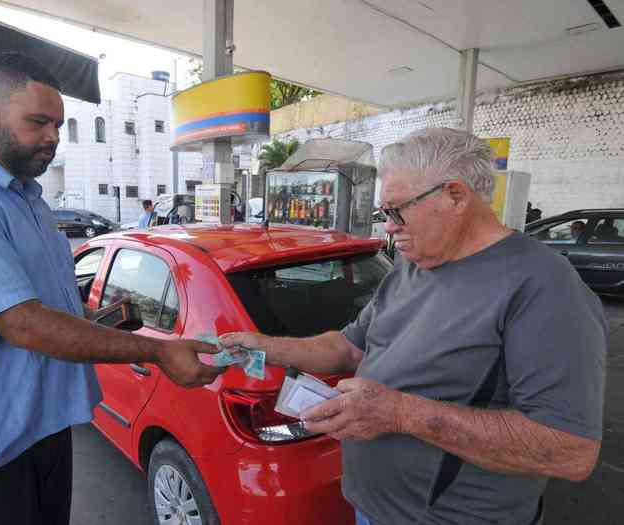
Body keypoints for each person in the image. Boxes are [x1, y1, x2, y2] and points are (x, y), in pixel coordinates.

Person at [0, 52, 224, 525]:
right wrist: (156, 352)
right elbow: (23, 324)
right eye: (38, 122)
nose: (52, 137)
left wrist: (100, 321)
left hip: (42, 433)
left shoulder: (28, 199)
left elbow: (45, 309)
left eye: (58, 124)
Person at [221, 127, 606, 525]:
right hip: (371, 508)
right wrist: (263, 345)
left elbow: (570, 450)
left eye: (396, 210)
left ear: (456, 196)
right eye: (384, 214)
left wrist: (403, 414)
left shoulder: (542, 284)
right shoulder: (414, 264)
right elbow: (351, 348)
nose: (388, 226)